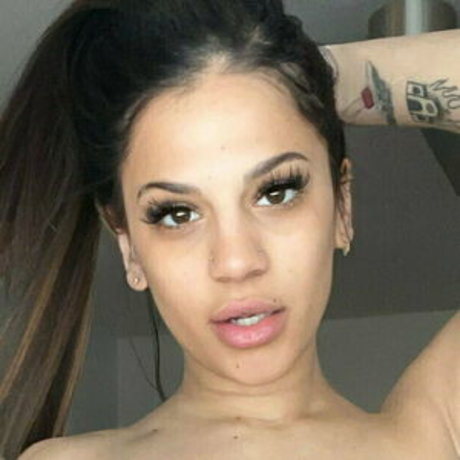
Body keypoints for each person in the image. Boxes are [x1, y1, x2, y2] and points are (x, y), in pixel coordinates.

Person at [0, 0, 457, 458]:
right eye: (177, 214)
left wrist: (311, 75)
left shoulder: (431, 439)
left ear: (342, 207)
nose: (237, 262)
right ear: (131, 248)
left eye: (276, 192)